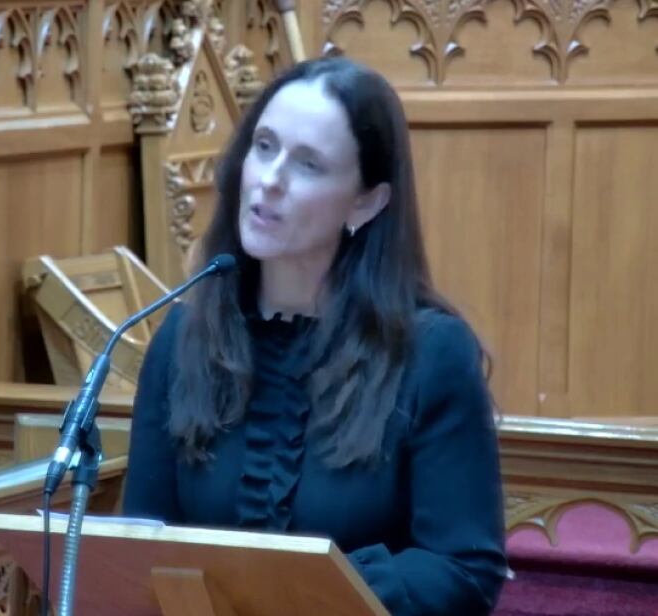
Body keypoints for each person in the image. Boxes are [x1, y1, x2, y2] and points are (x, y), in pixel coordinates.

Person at [123, 56, 507, 615]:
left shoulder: (430, 355)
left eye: (307, 164)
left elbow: (464, 569)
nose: (270, 180)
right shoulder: (184, 335)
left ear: (367, 201)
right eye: (264, 146)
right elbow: (143, 540)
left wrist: (316, 589)